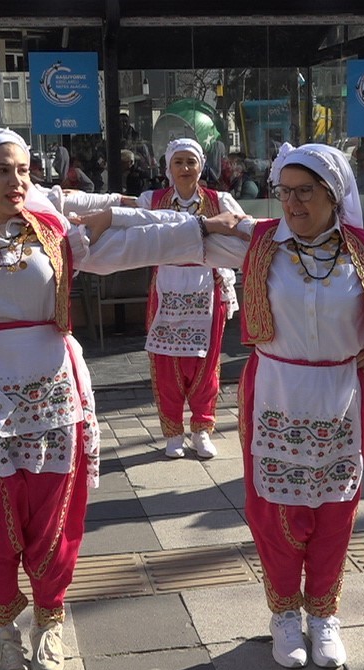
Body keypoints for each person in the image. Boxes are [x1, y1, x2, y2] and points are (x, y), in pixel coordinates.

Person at [0, 118, 239, 670]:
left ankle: (50, 618)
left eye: (24, 169)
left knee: (52, 515)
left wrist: (197, 225)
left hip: (53, 388)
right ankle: (3, 632)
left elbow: (131, 243)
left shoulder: (50, 229)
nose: (17, 180)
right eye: (3, 170)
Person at [95, 142, 364, 670]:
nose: (294, 204)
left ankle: (324, 615)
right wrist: (91, 235)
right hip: (276, 388)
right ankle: (283, 614)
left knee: (333, 513)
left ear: (334, 194)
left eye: (306, 192)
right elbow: (172, 242)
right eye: (286, 193)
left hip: (341, 396)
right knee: (275, 512)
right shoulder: (259, 244)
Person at [130, 139, 242, 459]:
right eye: (178, 162)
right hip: (166, 288)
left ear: (200, 165)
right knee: (166, 363)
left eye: (190, 162)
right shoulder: (152, 201)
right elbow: (126, 225)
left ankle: (202, 429)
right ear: (168, 167)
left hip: (208, 287)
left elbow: (241, 231)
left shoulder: (219, 200)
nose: (185, 168)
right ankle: (173, 431)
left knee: (205, 365)